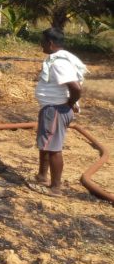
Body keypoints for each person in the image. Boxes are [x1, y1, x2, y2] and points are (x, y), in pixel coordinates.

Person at [30, 27, 85, 196]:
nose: (41, 45)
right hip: (52, 109)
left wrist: (69, 102)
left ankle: (55, 187)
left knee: (54, 148)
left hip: (56, 109)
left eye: (43, 41)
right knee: (46, 144)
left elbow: (76, 88)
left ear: (51, 43)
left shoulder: (59, 63)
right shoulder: (57, 59)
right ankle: (42, 176)